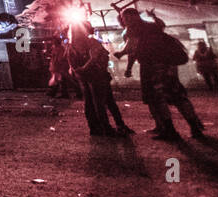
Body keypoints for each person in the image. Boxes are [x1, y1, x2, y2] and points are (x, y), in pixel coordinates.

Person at [115, 9, 204, 139]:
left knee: (157, 99)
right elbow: (161, 28)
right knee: (178, 97)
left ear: (132, 17)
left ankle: (170, 130)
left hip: (152, 67)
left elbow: (131, 48)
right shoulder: (152, 26)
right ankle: (195, 128)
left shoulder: (133, 29)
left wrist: (120, 53)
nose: (124, 21)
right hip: (169, 66)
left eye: (125, 18)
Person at [66, 23, 131, 137]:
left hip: (84, 77)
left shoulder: (71, 46)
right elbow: (98, 57)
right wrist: (87, 67)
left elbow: (72, 65)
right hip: (97, 76)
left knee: (90, 103)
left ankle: (95, 128)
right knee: (103, 102)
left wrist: (79, 72)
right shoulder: (91, 42)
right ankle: (108, 128)